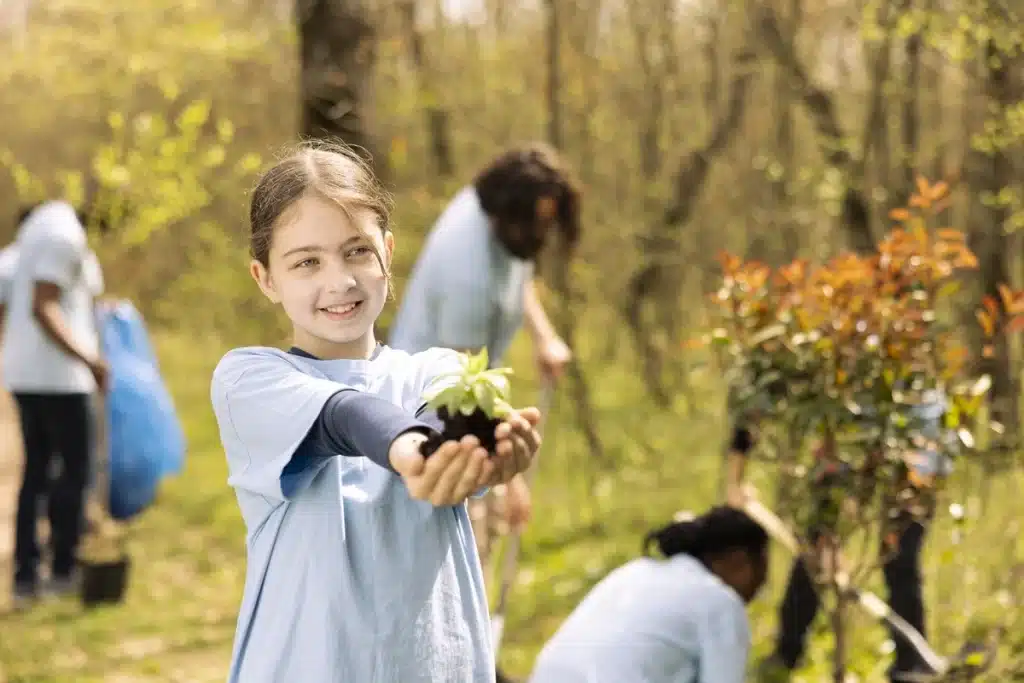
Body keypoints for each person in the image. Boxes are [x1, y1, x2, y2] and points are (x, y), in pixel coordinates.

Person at [210, 140, 544, 683]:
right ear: (265, 278)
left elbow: (448, 411)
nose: (338, 280)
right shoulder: (249, 379)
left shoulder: (434, 369)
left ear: (388, 253)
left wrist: (493, 454)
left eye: (357, 251)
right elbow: (342, 416)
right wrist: (411, 452)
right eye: (307, 262)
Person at [389, 142, 578, 585]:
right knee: (460, 551)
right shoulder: (466, 271)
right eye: (538, 224)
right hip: (431, 416)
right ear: (509, 215)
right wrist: (509, 479)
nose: (542, 236)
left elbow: (518, 272)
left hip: (466, 394)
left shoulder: (494, 215)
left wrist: (544, 337)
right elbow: (463, 392)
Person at [726, 400, 952, 683]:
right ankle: (786, 654)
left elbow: (930, 444)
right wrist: (735, 480)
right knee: (814, 555)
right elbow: (757, 404)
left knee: (901, 562)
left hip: (916, 464)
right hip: (847, 454)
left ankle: (912, 665)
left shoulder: (923, 392)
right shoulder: (843, 376)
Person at [528, 506, 769, 683]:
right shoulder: (721, 603)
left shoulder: (638, 569)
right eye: (763, 569)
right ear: (741, 562)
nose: (762, 584)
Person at [3, 199, 108, 606]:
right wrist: (90, 360)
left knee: (36, 473)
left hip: (26, 375)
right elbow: (43, 305)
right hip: (60, 380)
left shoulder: (32, 236)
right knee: (75, 472)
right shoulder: (64, 235)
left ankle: (25, 577)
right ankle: (63, 569)